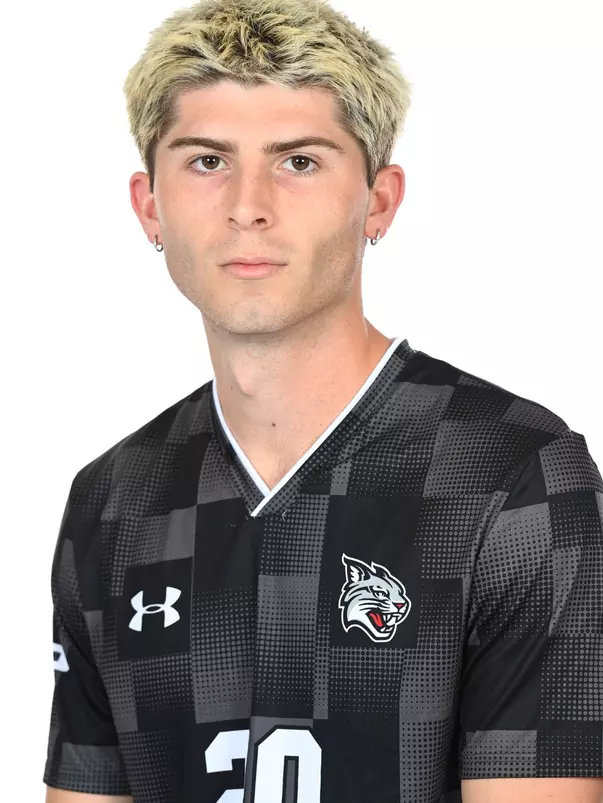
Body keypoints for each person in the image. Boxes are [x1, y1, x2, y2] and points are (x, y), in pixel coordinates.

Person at [43, 0, 603, 801]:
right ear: (148, 206)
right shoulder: (110, 500)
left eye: (298, 161)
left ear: (377, 199)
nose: (248, 204)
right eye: (206, 160)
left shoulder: (514, 477)